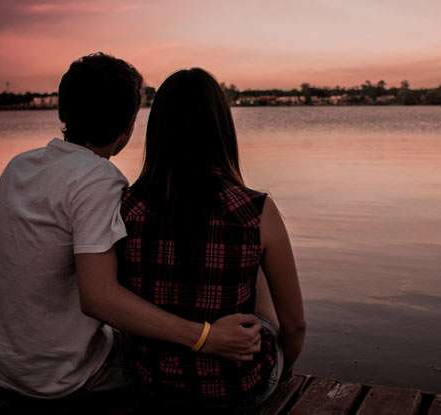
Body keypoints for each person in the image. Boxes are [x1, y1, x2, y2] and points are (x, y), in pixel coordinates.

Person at [0, 53, 261, 400]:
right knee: (162, 358)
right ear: (127, 129)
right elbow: (99, 299)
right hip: (57, 375)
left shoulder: (20, 166)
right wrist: (204, 336)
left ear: (63, 113)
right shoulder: (98, 180)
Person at [118, 68, 306, 410]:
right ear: (221, 129)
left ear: (157, 131)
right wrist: (284, 369)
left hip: (152, 383)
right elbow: (295, 327)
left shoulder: (125, 206)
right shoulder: (255, 209)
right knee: (258, 265)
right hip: (236, 389)